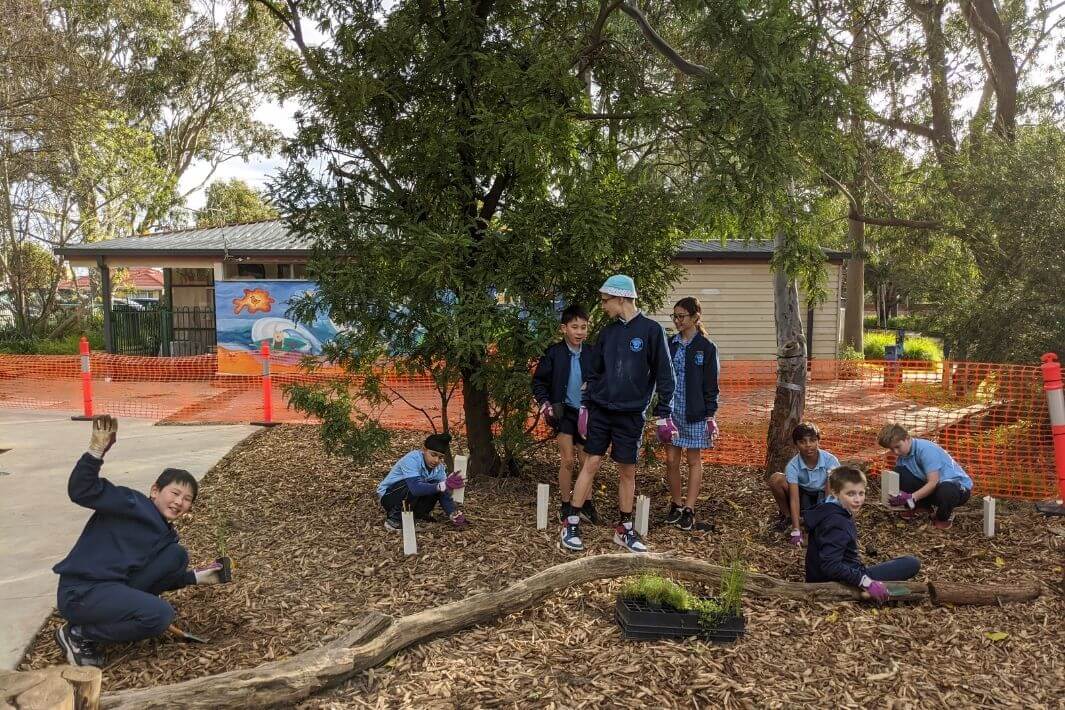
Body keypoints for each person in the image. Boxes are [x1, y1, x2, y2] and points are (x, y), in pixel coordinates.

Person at [52, 416, 233, 668]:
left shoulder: (166, 536)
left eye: (188, 498)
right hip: (82, 592)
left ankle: (99, 623)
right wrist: (96, 450)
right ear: (155, 491)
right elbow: (81, 490)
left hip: (113, 589)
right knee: (160, 616)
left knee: (176, 556)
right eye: (175, 493)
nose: (180, 502)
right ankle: (79, 634)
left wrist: (196, 577)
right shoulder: (131, 503)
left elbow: (153, 579)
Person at [560, 274, 677, 554]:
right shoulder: (608, 333)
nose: (602, 306)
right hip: (601, 410)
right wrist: (586, 405)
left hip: (630, 415)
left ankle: (624, 529)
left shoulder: (651, 331)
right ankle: (571, 522)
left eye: (605, 300)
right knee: (591, 463)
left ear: (621, 298)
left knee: (627, 471)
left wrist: (664, 413)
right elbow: (593, 372)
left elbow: (665, 374)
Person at [804, 465, 921, 602]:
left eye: (861, 493)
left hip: (821, 576)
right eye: (851, 494)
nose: (858, 499)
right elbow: (830, 565)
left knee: (900, 562)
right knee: (912, 563)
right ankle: (872, 590)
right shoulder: (837, 522)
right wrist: (866, 582)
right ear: (835, 493)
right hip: (832, 581)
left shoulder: (827, 509)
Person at [532, 304, 599, 523]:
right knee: (568, 460)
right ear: (564, 328)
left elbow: (601, 379)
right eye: (575, 327)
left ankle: (586, 503)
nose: (579, 332)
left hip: (586, 413)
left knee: (586, 460)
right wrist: (546, 403)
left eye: (584, 327)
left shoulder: (592, 353)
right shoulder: (554, 353)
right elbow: (539, 382)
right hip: (564, 412)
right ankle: (565, 503)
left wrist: (593, 387)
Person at [664, 297, 720, 531]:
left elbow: (711, 385)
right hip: (671, 412)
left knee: (693, 460)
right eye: (674, 316)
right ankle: (676, 505)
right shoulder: (670, 344)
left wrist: (710, 416)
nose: (677, 321)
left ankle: (689, 508)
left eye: (681, 316)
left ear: (696, 318)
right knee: (670, 460)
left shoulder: (706, 348)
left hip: (695, 413)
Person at [877, 423, 973, 529]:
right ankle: (922, 507)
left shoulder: (926, 449)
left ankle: (943, 516)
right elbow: (910, 481)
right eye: (891, 449)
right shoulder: (902, 457)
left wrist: (911, 497)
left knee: (947, 490)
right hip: (934, 488)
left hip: (956, 489)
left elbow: (934, 482)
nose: (895, 452)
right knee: (900, 472)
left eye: (897, 447)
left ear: (907, 438)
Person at [767, 422, 840, 546]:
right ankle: (789, 518)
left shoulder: (830, 460)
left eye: (812, 440)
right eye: (802, 442)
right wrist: (796, 531)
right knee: (776, 479)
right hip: (803, 495)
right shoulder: (793, 466)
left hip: (823, 496)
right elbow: (794, 499)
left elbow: (830, 495)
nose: (808, 445)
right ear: (796, 444)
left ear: (818, 441)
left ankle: (822, 522)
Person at [377, 433, 468, 531]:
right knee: (414, 485)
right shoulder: (412, 459)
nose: (436, 460)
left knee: (435, 486)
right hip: (390, 497)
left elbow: (443, 492)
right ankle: (394, 520)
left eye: (440, 457)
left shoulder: (439, 468)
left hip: (412, 499)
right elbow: (415, 489)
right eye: (433, 455)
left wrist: (452, 513)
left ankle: (419, 516)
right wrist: (442, 485)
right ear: (424, 450)